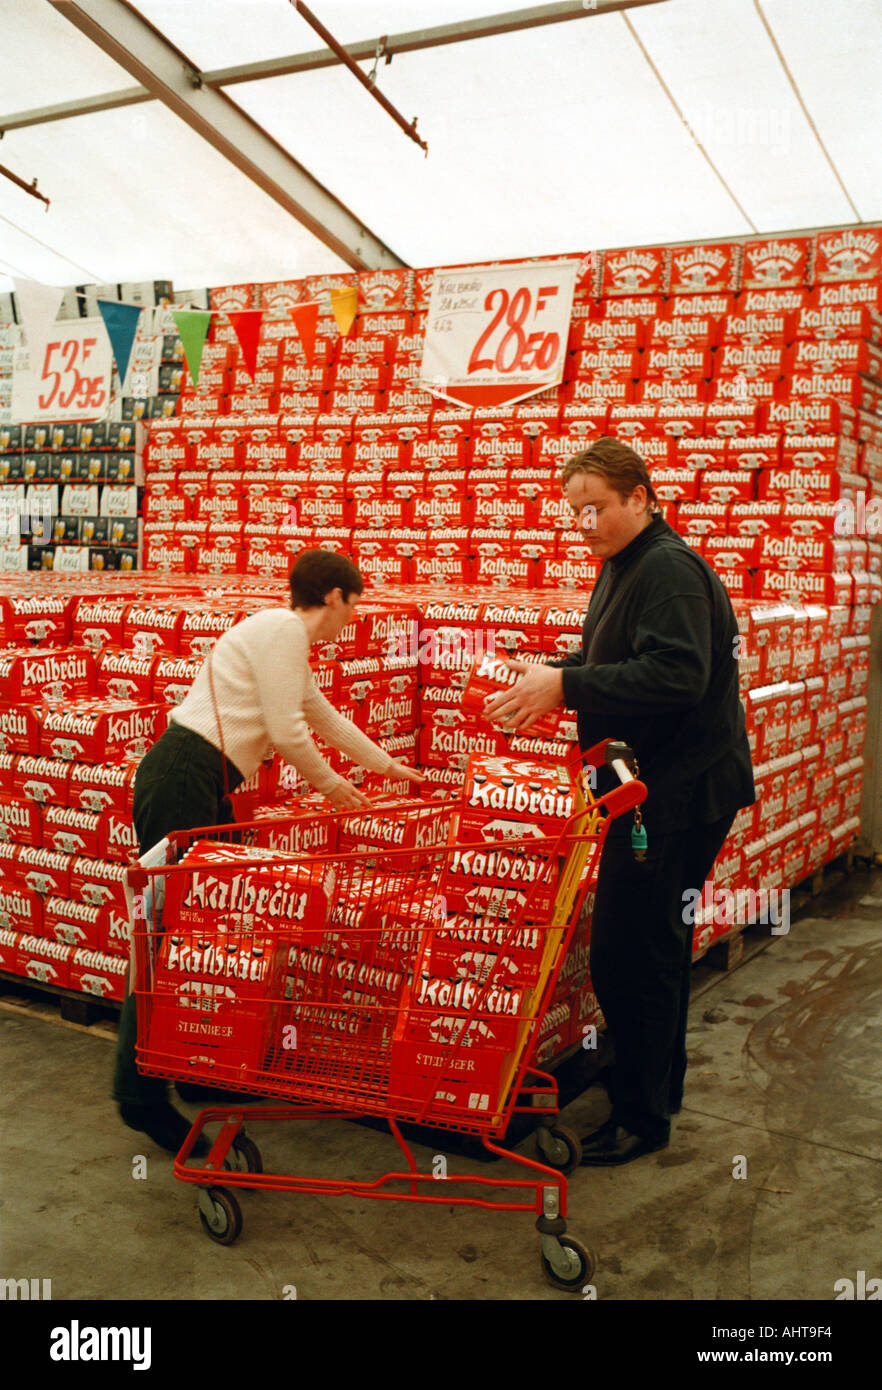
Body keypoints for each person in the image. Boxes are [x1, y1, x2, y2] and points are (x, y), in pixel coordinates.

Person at [484, 437, 755, 1166]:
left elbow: (678, 675)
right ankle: (652, 1090)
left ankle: (641, 1115)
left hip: (674, 794)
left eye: (595, 508)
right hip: (640, 789)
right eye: (574, 512)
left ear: (640, 495)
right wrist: (554, 674)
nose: (583, 525)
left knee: (630, 955)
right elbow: (620, 660)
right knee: (650, 949)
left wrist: (568, 687)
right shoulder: (624, 564)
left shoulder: (667, 570)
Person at [114, 550, 425, 1154]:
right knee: (164, 932)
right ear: (334, 596)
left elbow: (321, 716)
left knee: (204, 932)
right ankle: (137, 1096)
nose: (352, 622)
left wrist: (388, 767)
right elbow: (287, 732)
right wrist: (335, 789)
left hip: (206, 783)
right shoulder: (283, 629)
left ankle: (188, 1061)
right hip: (183, 777)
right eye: (354, 607)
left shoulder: (282, 640)